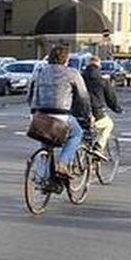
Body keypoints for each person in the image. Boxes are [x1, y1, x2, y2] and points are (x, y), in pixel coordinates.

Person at [29, 44, 93, 177]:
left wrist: (34, 111)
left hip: (40, 114)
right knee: (77, 134)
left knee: (45, 144)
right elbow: (83, 97)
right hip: (61, 115)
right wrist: (87, 116)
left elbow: (30, 94)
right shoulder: (72, 73)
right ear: (66, 59)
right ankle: (62, 164)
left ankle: (43, 178)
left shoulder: (39, 72)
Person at [81, 55, 123, 158]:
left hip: (78, 113)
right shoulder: (103, 80)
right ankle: (99, 147)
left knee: (82, 131)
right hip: (96, 113)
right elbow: (111, 99)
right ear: (99, 66)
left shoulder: (80, 78)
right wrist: (118, 109)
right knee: (108, 124)